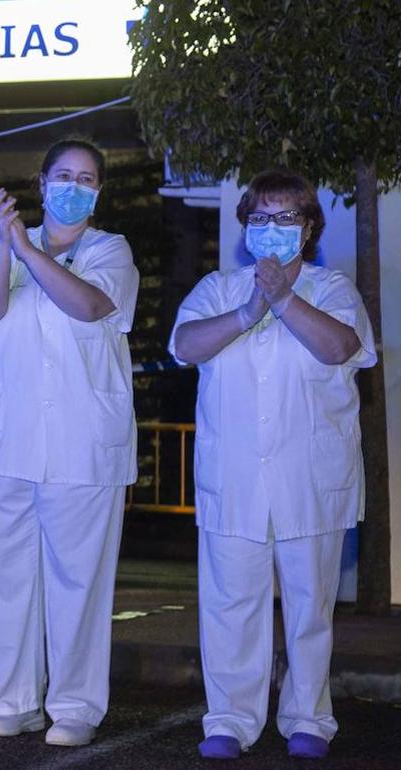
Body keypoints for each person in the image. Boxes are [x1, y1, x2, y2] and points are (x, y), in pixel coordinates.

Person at [170, 170, 375, 761]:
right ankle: (230, 720)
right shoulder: (217, 288)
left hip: (311, 481)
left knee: (310, 607)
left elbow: (342, 348)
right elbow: (185, 345)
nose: (271, 229)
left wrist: (284, 301)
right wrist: (250, 310)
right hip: (232, 480)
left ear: (309, 228)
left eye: (286, 217)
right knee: (231, 607)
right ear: (244, 228)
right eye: (259, 218)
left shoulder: (333, 288)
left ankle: (309, 717)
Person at [0, 139, 138, 747]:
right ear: (41, 183)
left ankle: (75, 706)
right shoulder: (3, 247)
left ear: (97, 191)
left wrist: (27, 250)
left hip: (81, 445)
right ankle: (15, 698)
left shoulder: (110, 250)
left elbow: (88, 305)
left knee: (77, 581)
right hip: (2, 440)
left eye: (86, 178)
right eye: (63, 175)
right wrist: (6, 245)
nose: (73, 186)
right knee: (2, 576)